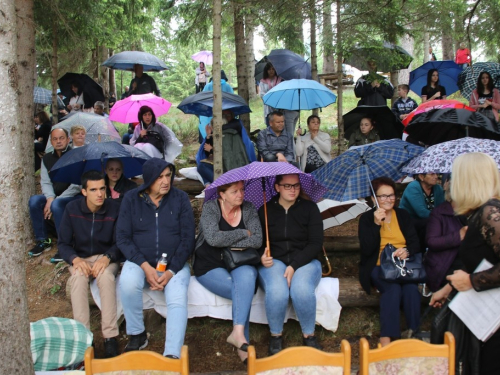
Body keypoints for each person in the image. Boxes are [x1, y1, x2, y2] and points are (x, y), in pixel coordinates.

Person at [117, 158, 195, 358]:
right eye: (160, 177)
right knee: (127, 282)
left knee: (177, 297)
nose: (165, 181)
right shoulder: (131, 199)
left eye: (168, 175)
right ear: (149, 178)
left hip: (173, 264)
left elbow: (188, 239)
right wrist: (145, 266)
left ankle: (172, 355)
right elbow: (123, 238)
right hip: (140, 261)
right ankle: (137, 333)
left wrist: (170, 271)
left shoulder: (180, 198)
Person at [430, 153, 500, 374]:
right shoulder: (481, 212)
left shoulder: (491, 213)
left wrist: (470, 281)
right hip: (484, 317)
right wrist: (450, 286)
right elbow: (486, 261)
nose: (451, 182)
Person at [194, 181, 263, 364]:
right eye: (234, 191)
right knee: (242, 290)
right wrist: (243, 232)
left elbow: (257, 240)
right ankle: (243, 344)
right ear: (222, 195)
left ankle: (238, 333)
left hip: (240, 261)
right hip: (210, 263)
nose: (240, 194)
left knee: (247, 278)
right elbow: (213, 239)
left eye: (242, 190)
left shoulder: (248, 208)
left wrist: (230, 242)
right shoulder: (211, 208)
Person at [258, 174, 323, 355]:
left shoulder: (310, 208)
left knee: (301, 289)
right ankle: (276, 335)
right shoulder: (264, 210)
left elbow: (315, 243)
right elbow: (257, 243)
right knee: (277, 291)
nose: (293, 189)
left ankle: (309, 335)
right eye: (287, 186)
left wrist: (294, 265)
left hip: (305, 261)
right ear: (277, 187)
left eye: (296, 185)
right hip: (275, 261)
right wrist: (260, 257)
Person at [58, 170, 121, 358]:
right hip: (80, 258)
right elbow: (63, 244)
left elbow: (121, 242)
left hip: (106, 257)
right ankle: (83, 338)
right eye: (93, 190)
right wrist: (75, 259)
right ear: (84, 191)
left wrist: (108, 257)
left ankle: (110, 337)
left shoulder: (114, 208)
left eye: (102, 188)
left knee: (106, 277)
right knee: (77, 279)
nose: (100, 194)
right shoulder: (72, 209)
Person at [358, 177, 421, 347]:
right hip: (378, 265)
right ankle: (386, 339)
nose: (389, 199)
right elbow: (366, 250)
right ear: (374, 199)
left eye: (391, 195)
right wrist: (376, 225)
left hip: (402, 265)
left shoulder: (403, 215)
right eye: (383, 196)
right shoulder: (366, 219)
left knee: (410, 290)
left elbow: (415, 242)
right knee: (392, 289)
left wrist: (407, 250)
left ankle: (414, 334)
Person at [28, 128, 81, 261]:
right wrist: (50, 198)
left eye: (61, 138)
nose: (58, 141)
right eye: (55, 139)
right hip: (55, 195)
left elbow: (77, 185)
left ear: (68, 139)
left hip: (75, 196)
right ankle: (42, 240)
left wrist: (54, 200)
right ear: (51, 141)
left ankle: (64, 246)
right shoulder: (46, 158)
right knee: (34, 201)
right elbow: (45, 182)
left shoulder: (76, 155)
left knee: (57, 204)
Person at [196, 111, 256, 190]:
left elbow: (227, 157)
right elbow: (207, 151)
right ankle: (209, 185)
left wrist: (211, 150)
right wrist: (208, 136)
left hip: (231, 169)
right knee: (201, 165)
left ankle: (223, 185)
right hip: (224, 165)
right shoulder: (221, 134)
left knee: (202, 167)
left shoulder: (227, 134)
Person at [425, 180, 466, 292]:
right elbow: (432, 241)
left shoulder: (472, 212)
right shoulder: (439, 213)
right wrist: (459, 236)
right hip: (445, 264)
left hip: (467, 263)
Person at [399, 172, 445, 250]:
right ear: (421, 176)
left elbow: (442, 209)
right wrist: (440, 219)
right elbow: (421, 212)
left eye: (437, 174)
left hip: (430, 220)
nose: (436, 176)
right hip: (409, 221)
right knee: (430, 224)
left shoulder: (438, 188)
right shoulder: (413, 187)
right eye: (432, 174)